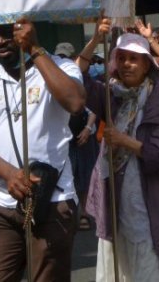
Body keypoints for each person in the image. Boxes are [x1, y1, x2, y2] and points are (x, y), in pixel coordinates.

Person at [0, 18, 85, 281]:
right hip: (0, 203)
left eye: (7, 33)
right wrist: (9, 174)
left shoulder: (63, 67)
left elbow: (75, 102)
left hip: (52, 201)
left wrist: (34, 49)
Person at [88, 29, 159, 280]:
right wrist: (95, 40)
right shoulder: (111, 94)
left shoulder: (157, 99)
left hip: (151, 206)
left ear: (146, 64)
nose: (126, 64)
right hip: (116, 204)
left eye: (134, 58)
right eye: (122, 57)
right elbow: (78, 83)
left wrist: (126, 141)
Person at [55, 42, 97, 231]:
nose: (63, 61)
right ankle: (71, 212)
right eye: (59, 57)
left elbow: (92, 109)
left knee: (86, 177)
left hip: (84, 137)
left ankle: (86, 213)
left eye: (66, 57)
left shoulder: (85, 79)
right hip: (65, 139)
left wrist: (87, 129)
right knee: (69, 177)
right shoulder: (53, 79)